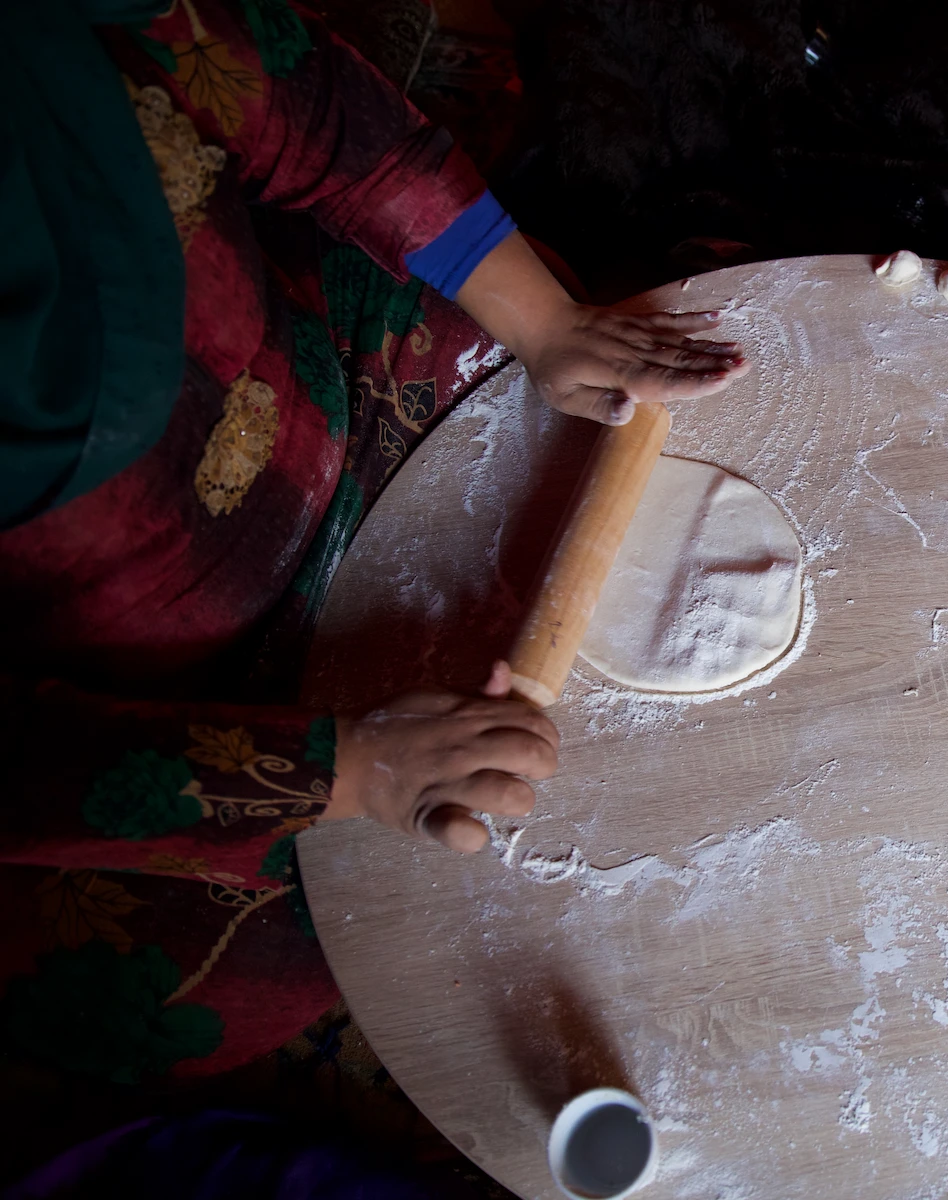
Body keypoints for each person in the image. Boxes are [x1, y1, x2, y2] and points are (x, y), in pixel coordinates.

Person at [0, 0, 746, 1082]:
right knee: (239, 978)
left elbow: (300, 106)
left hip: (330, 381)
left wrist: (544, 324)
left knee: (553, 345)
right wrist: (348, 772)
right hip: (148, 701)